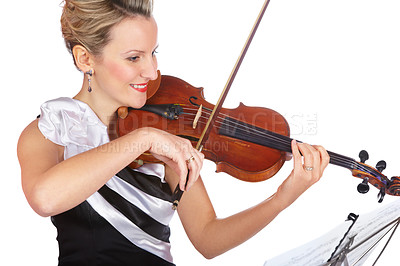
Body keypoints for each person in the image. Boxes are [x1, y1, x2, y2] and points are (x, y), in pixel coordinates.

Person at [17, 0, 330, 265]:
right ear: (85, 59)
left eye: (153, 52)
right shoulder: (51, 129)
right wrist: (142, 139)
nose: (152, 71)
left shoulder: (164, 127)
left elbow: (208, 238)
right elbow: (44, 199)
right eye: (133, 57)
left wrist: (283, 197)